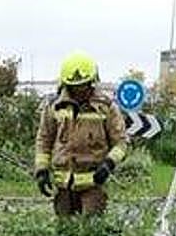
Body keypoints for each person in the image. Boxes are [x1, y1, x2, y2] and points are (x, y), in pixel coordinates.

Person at [34, 51, 128, 217]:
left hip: (93, 185)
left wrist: (109, 164)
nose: (80, 91)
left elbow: (121, 142)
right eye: (75, 87)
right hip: (63, 186)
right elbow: (44, 140)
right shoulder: (54, 106)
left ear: (92, 82)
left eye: (84, 85)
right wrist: (41, 170)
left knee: (91, 234)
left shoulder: (106, 107)